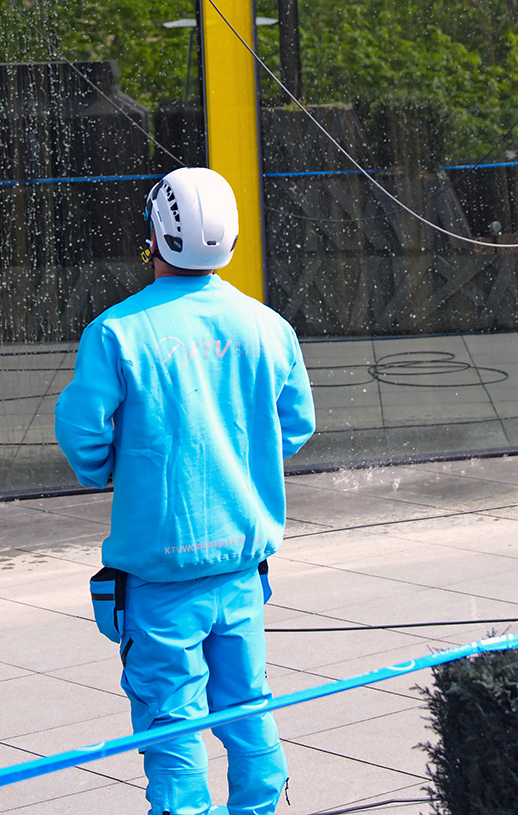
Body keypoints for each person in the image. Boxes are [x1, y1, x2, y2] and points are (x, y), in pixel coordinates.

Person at [55, 167, 315, 815]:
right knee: (249, 706)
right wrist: (240, 463)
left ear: (153, 235)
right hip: (242, 564)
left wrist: (112, 470)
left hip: (160, 571)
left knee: (171, 725)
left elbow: (83, 435)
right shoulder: (268, 327)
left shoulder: (116, 332)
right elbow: (294, 426)